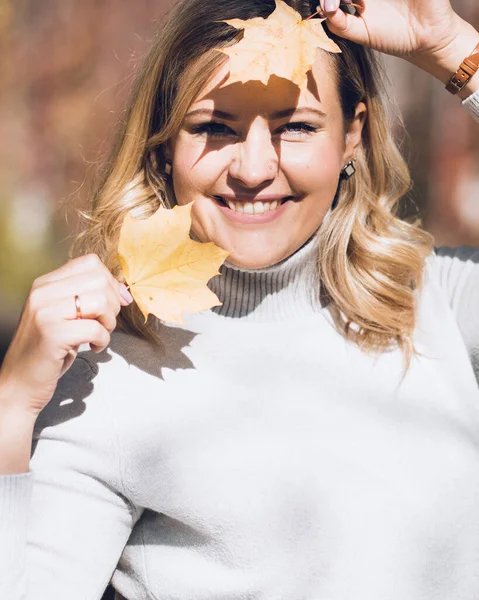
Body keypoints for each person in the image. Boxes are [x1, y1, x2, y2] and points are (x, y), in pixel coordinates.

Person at [1, 0, 479, 598]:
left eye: (297, 126)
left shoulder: (440, 301)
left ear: (351, 136)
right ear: (164, 144)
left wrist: (455, 49)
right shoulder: (104, 371)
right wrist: (12, 407)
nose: (253, 168)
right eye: (213, 128)